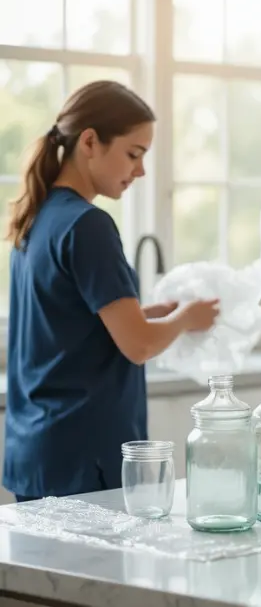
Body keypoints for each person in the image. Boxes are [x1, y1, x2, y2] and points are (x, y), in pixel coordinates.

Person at [4, 81, 220, 501]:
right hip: (85, 458)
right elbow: (138, 346)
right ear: (90, 142)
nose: (140, 171)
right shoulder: (89, 225)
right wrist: (186, 318)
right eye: (134, 154)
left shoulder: (38, 217)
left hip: (37, 453)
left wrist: (153, 313)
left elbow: (69, 323)